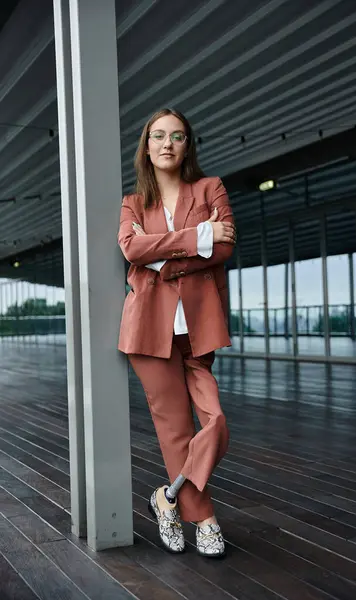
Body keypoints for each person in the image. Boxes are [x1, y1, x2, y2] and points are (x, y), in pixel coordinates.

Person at [117, 108, 236, 558]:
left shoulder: (211, 188)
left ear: (188, 145)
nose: (168, 143)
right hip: (149, 332)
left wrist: (162, 260)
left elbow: (223, 246)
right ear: (146, 146)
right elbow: (131, 247)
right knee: (175, 430)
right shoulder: (132, 203)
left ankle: (166, 499)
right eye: (159, 136)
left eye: (178, 136)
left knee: (216, 422)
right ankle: (205, 519)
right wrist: (197, 236)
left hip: (197, 329)